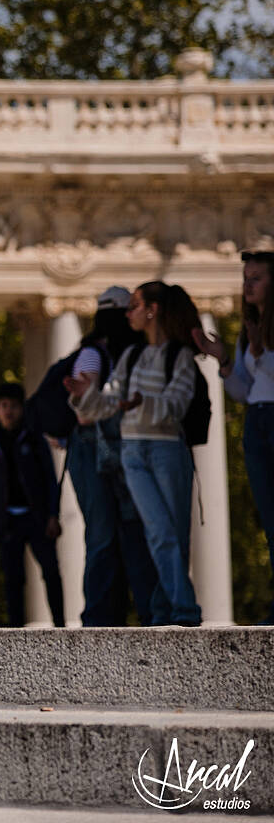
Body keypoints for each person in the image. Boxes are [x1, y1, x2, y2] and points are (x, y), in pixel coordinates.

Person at [69, 280, 203, 626]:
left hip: (166, 450)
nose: (127, 313)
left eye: (133, 306)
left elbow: (176, 406)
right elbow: (109, 404)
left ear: (152, 310)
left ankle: (179, 610)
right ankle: (172, 610)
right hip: (132, 452)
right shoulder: (132, 356)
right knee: (157, 533)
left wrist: (142, 404)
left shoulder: (180, 356)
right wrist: (86, 396)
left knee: (172, 533)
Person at [66, 286, 159, 626]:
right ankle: (101, 618)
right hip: (98, 452)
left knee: (130, 532)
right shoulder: (94, 354)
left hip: (117, 452)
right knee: (106, 534)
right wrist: (117, 405)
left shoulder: (124, 354)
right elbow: (84, 414)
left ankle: (131, 612)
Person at [194, 249, 274, 624]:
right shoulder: (249, 328)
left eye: (255, 278)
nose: (247, 286)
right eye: (245, 278)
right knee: (269, 515)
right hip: (256, 420)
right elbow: (244, 390)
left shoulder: (262, 332)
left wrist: (262, 350)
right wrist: (224, 360)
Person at [0, 382, 64, 627]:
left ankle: (59, 624)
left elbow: (50, 477)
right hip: (7, 520)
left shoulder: (35, 437)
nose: (9, 411)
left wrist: (53, 514)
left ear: (22, 409)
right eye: (4, 406)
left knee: (50, 571)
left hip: (36, 516)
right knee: (13, 578)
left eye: (14, 406)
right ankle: (15, 629)